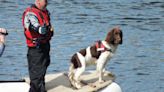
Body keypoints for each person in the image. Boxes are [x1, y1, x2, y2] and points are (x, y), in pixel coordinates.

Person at [22, 0, 54, 92]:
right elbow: (32, 25)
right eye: (45, 1)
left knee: (44, 64)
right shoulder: (30, 13)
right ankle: (36, 89)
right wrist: (39, 29)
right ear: (38, 1)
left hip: (45, 45)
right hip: (35, 48)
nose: (47, 3)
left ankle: (41, 87)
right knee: (36, 71)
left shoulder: (45, 11)